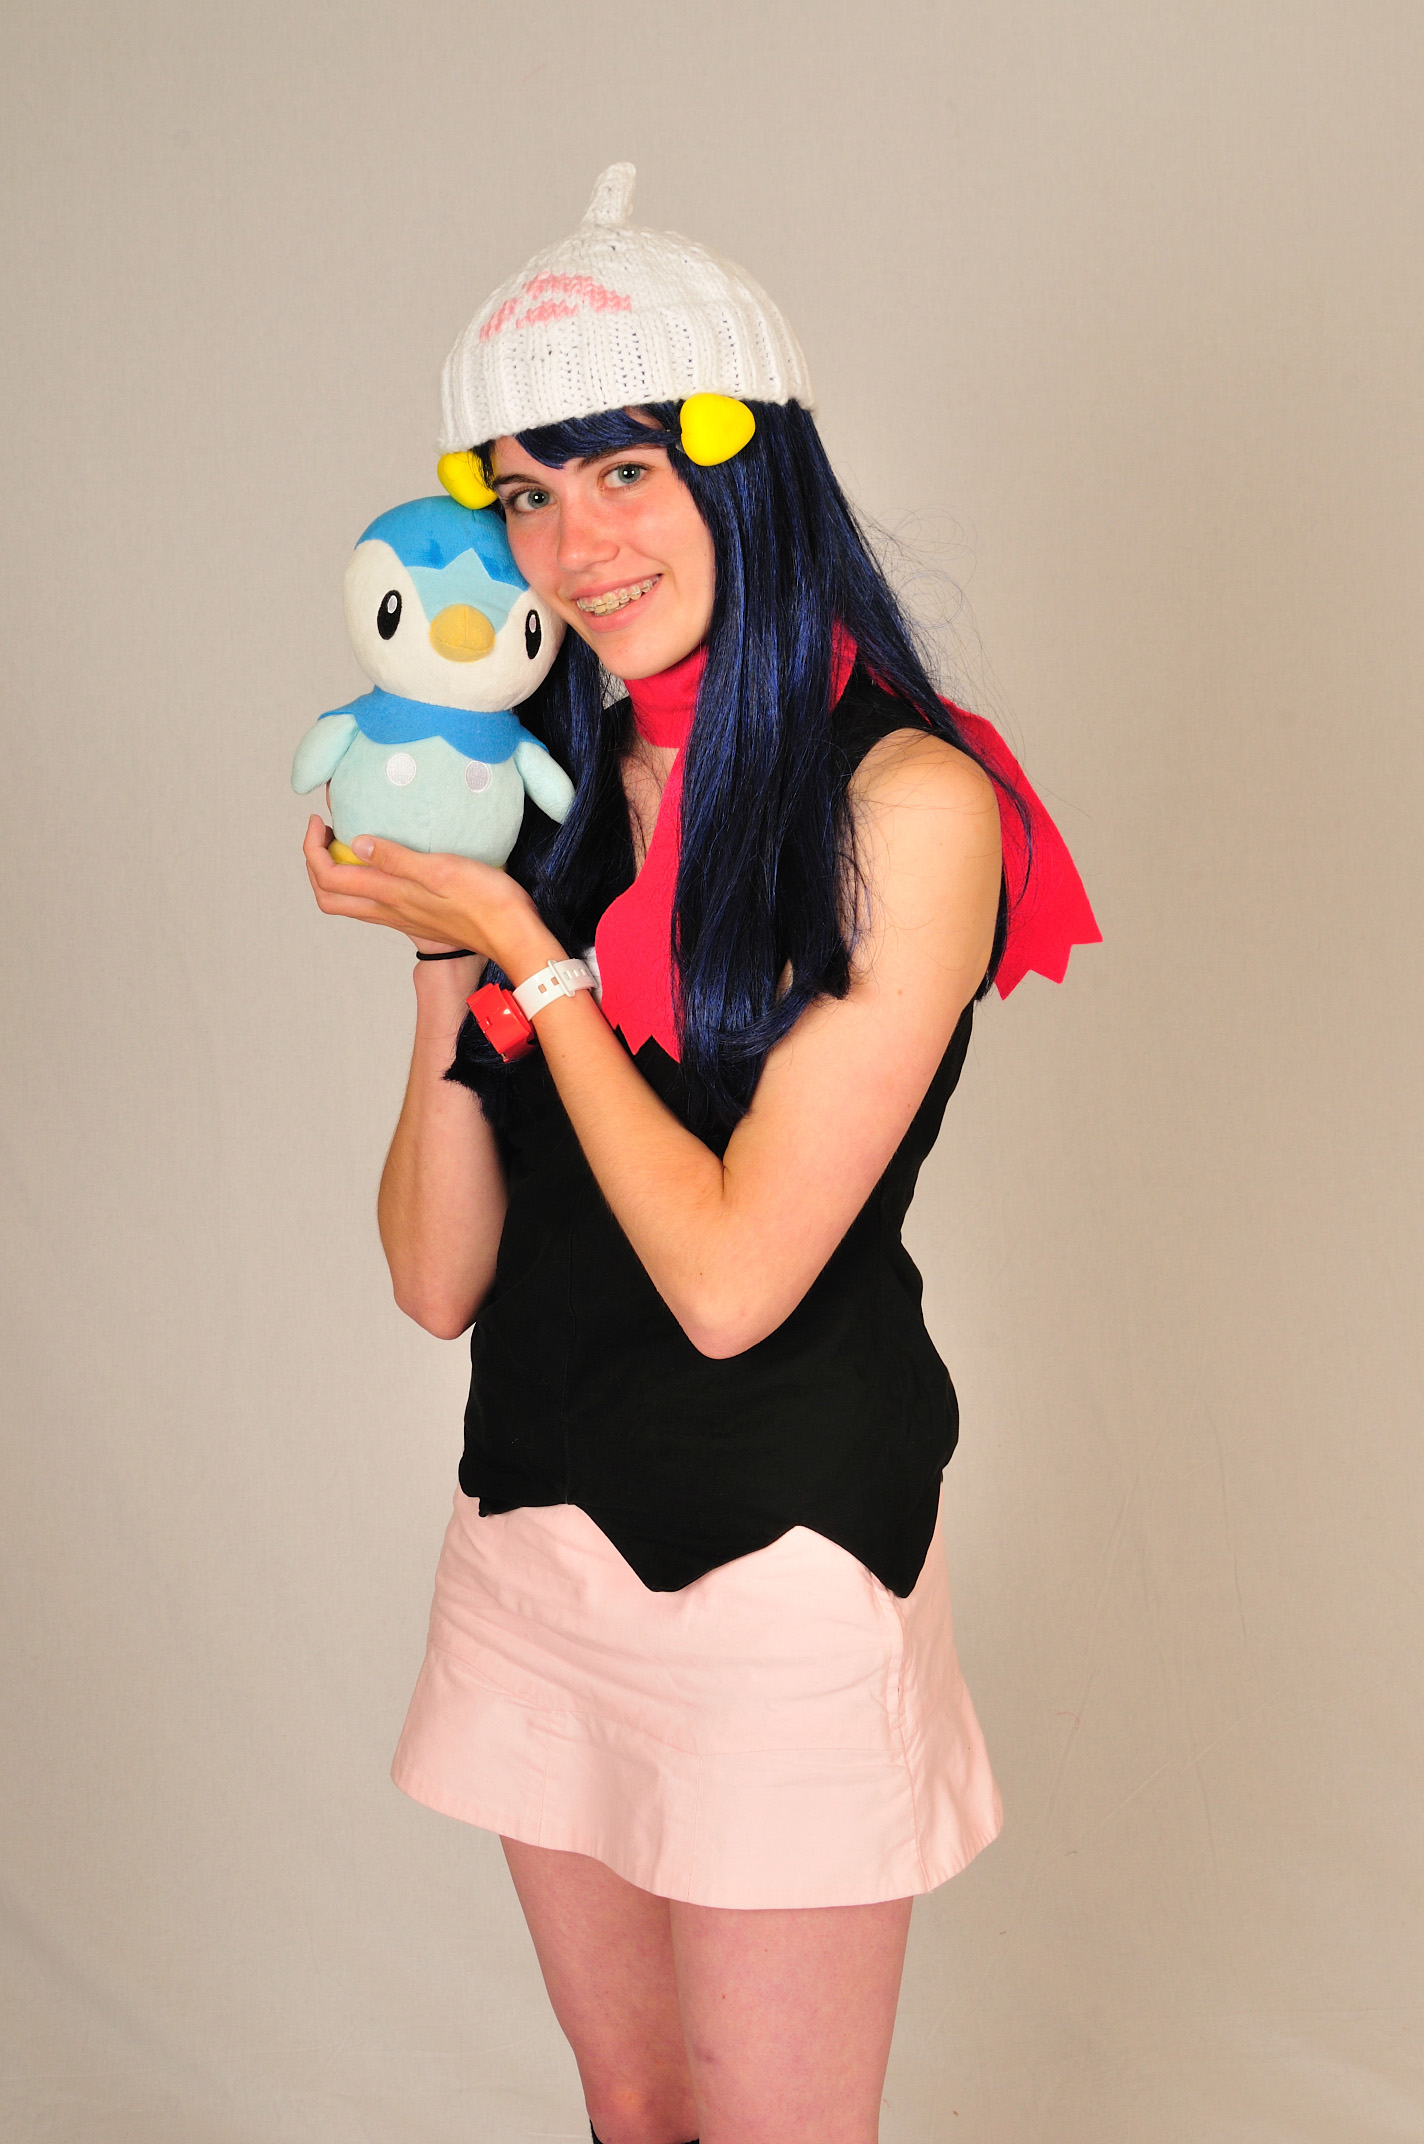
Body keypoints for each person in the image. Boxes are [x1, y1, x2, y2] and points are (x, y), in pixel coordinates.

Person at [302, 165, 1097, 2144]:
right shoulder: (545, 791)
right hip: (534, 1528)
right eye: (524, 495)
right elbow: (434, 1279)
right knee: (635, 2106)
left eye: (625, 472)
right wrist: (444, 929)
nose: (573, 546)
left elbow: (734, 1282)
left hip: (781, 1556)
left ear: (752, 472)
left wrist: (530, 957)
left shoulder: (907, 803)